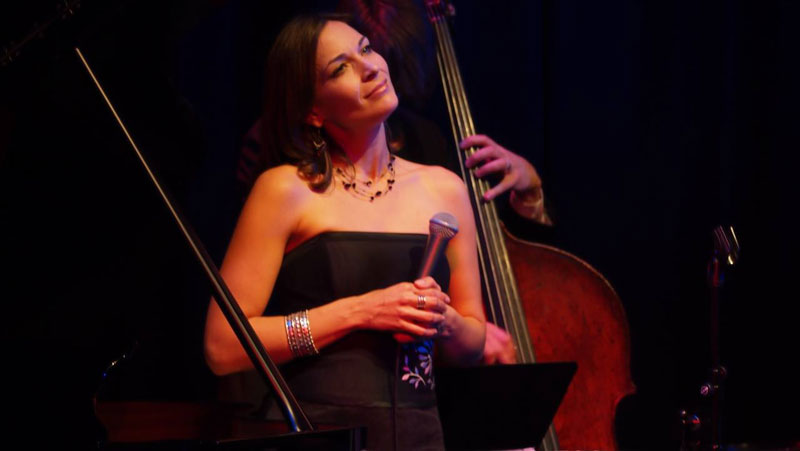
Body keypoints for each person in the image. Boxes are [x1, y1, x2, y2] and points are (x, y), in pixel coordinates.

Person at [204, 14, 485, 450]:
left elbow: (474, 342)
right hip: (318, 431)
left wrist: (443, 321)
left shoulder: (446, 189)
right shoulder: (284, 190)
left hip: (419, 435)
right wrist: (361, 312)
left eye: (366, 49)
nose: (370, 67)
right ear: (313, 111)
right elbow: (223, 347)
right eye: (341, 68)